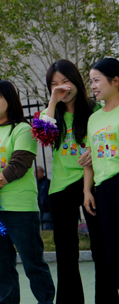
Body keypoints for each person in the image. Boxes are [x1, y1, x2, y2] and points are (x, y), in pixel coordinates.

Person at [0, 78, 55, 303]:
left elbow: (19, 164)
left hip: (20, 210)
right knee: (2, 268)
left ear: (10, 100)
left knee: (33, 265)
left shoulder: (23, 129)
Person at [42, 59, 117, 303]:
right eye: (54, 84)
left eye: (65, 81)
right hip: (61, 187)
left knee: (101, 248)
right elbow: (43, 136)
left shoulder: (94, 111)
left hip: (91, 185)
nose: (61, 87)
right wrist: (53, 101)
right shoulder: (51, 113)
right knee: (66, 252)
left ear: (77, 81)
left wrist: (92, 154)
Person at [84, 58, 119, 292]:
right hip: (103, 190)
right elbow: (90, 158)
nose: (93, 86)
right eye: (90, 82)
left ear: (115, 81)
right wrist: (87, 190)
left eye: (97, 80)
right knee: (113, 253)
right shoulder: (94, 118)